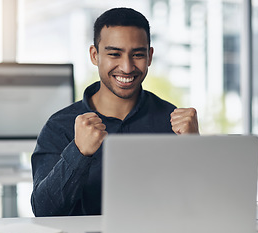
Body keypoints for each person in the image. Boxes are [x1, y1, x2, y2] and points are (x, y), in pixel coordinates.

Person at [31, 7, 199, 217]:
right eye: (114, 54)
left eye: (137, 54)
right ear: (95, 55)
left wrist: (196, 149)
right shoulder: (60, 126)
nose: (127, 67)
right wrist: (78, 152)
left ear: (150, 56)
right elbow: (44, 211)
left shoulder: (173, 122)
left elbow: (199, 208)